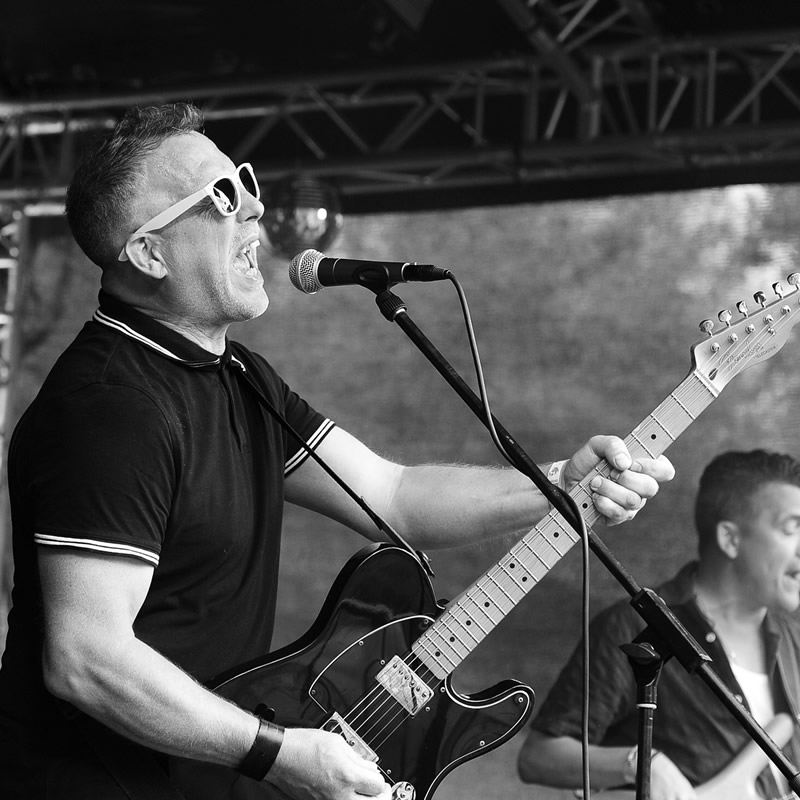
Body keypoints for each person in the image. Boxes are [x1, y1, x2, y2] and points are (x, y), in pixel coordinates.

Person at [0, 102, 673, 800]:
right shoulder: (109, 408)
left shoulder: (239, 377)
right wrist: (278, 753)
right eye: (221, 196)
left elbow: (392, 496)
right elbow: (86, 659)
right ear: (149, 253)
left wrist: (559, 481)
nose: (255, 207)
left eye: (246, 180)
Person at [518, 448, 800, 800]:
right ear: (731, 539)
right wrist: (642, 762)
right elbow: (538, 757)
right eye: (792, 528)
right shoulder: (634, 626)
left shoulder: (793, 642)